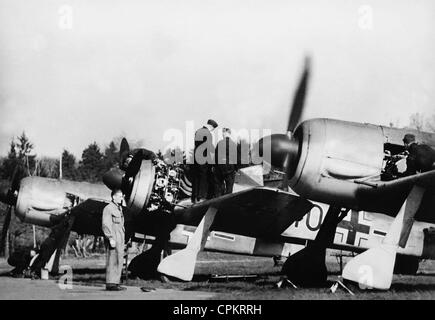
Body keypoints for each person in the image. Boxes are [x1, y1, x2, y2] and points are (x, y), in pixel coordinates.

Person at [102, 189, 126, 291]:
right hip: (114, 235)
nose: (121, 198)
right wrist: (110, 237)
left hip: (120, 236)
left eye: (122, 196)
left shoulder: (118, 208)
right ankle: (110, 283)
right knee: (112, 259)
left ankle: (115, 282)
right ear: (113, 197)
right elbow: (106, 224)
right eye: (120, 196)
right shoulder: (108, 208)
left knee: (119, 259)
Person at [192, 119, 218, 202]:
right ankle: (201, 196)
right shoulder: (208, 133)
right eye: (213, 129)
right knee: (203, 176)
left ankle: (194, 196)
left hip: (196, 157)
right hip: (203, 158)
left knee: (196, 176)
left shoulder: (198, 131)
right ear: (211, 127)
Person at [214, 128, 237, 196]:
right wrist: (236, 168)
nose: (222, 134)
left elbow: (216, 156)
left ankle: (218, 201)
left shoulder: (220, 143)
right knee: (229, 187)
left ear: (226, 133)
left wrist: (214, 166)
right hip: (230, 167)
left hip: (220, 166)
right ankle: (227, 201)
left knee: (218, 185)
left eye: (223, 133)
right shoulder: (233, 144)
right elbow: (235, 157)